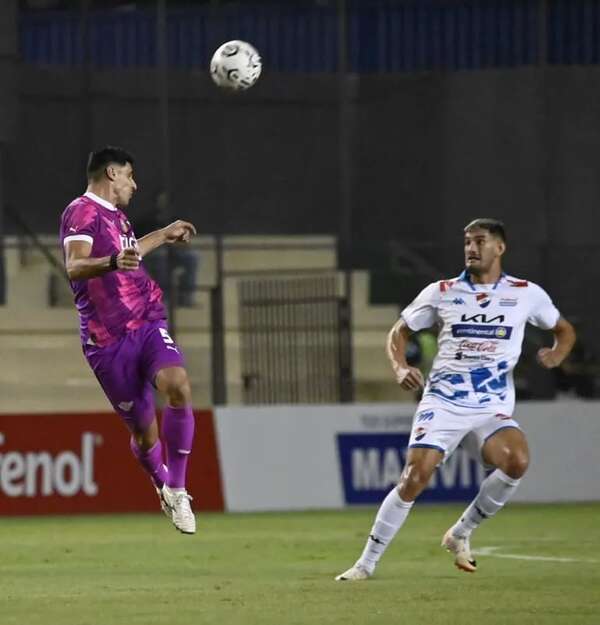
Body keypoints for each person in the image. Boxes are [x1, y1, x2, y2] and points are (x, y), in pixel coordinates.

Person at [336, 218, 576, 579]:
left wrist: (557, 355)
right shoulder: (442, 291)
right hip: (444, 402)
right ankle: (365, 565)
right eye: (467, 242)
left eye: (479, 241)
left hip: (490, 406)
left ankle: (460, 532)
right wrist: (401, 367)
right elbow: (399, 331)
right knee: (415, 476)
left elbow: (563, 329)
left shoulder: (526, 294)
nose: (471, 248)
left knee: (517, 460)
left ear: (500, 247)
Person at [60, 146, 198, 534]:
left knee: (178, 385)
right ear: (110, 174)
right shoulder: (81, 212)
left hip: (147, 321)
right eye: (129, 176)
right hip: (107, 341)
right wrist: (109, 263)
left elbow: (129, 255)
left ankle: (178, 486)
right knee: (144, 432)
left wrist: (163, 234)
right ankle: (162, 484)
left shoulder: (116, 218)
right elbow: (74, 266)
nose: (134, 185)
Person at [135, 191, 199, 307]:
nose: (163, 204)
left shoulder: (175, 220)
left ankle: (186, 297)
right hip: (154, 255)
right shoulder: (147, 221)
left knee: (193, 257)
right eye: (160, 201)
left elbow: (186, 242)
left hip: (175, 252)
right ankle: (164, 297)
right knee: (161, 257)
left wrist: (179, 243)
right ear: (155, 203)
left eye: (165, 201)